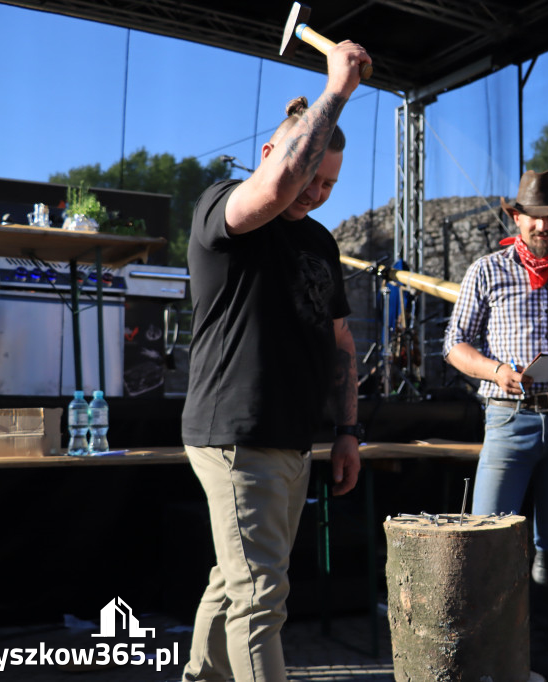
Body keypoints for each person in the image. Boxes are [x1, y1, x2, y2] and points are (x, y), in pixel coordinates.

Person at [180, 40, 369, 682]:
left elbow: (341, 345)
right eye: (310, 176)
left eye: (329, 184)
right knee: (261, 600)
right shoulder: (222, 208)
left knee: (236, 584)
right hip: (236, 433)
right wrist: (335, 92)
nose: (316, 193)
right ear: (271, 154)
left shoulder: (320, 240)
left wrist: (345, 432)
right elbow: (280, 184)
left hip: (294, 440)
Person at [443, 169, 548, 682]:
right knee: (488, 537)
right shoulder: (487, 270)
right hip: (508, 417)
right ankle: (485, 659)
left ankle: (538, 656)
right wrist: (498, 372)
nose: (542, 227)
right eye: (532, 218)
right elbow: (454, 344)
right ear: (515, 216)